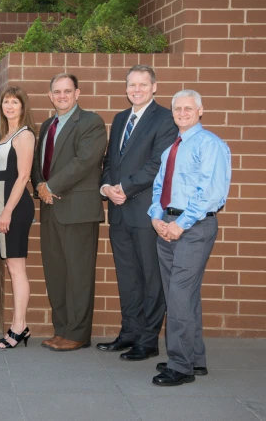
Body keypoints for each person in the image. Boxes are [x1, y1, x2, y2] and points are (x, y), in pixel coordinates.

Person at [149, 90, 231, 386]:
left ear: (200, 110)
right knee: (183, 294)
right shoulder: (172, 147)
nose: (182, 112)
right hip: (168, 224)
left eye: (188, 108)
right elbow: (160, 186)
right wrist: (157, 218)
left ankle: (180, 366)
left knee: (179, 295)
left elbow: (211, 193)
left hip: (193, 228)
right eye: (177, 109)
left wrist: (180, 225)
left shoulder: (210, 145)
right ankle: (193, 357)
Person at [97, 65, 177, 360]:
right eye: (132, 84)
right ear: (126, 87)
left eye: (143, 84)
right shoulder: (119, 119)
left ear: (154, 87)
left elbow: (158, 164)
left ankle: (148, 339)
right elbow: (109, 162)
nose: (137, 89)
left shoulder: (165, 118)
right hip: (118, 212)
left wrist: (124, 187)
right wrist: (106, 187)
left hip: (145, 211)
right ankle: (129, 332)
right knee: (127, 276)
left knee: (150, 277)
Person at [32, 73, 107, 351]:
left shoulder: (91, 122)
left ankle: (77, 333)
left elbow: (85, 162)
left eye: (67, 91)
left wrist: (50, 186)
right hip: (51, 208)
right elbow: (39, 163)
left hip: (77, 210)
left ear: (77, 93)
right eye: (57, 92)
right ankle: (62, 328)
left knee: (78, 274)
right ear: (50, 96)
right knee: (56, 273)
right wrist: (40, 184)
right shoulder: (47, 125)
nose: (62, 96)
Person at [0, 87, 36, 349]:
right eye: (6, 102)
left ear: (22, 106)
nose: (9, 106)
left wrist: (6, 211)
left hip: (16, 207)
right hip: (2, 204)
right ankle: (20, 325)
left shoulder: (24, 135)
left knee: (17, 267)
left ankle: (19, 327)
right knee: (11, 265)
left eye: (14, 102)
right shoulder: (4, 134)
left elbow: (22, 177)